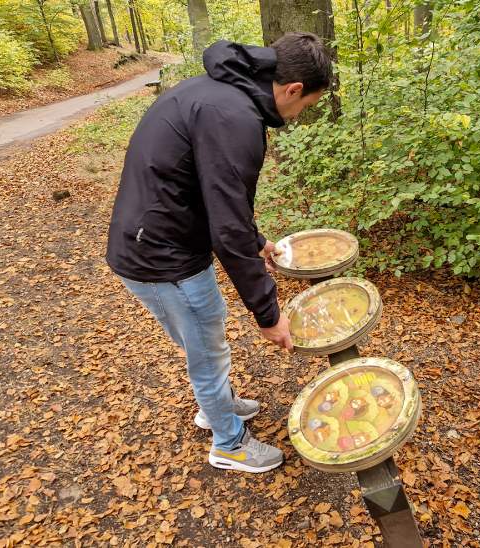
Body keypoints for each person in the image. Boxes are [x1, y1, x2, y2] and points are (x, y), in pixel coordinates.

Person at [105, 32, 333, 473]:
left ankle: (218, 408)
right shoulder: (234, 117)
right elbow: (226, 225)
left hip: (156, 239)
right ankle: (228, 443)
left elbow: (220, 199)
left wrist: (256, 241)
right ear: (293, 89)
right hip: (162, 255)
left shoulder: (222, 90)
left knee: (205, 338)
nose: (299, 115)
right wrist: (269, 315)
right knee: (207, 350)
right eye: (305, 107)